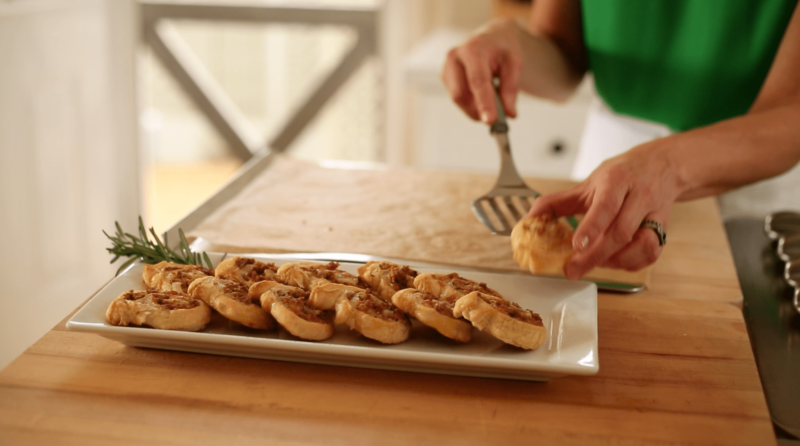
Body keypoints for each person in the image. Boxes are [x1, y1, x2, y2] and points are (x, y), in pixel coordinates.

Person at [441, 0, 800, 280]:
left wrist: (667, 165)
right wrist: (507, 39)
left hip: (753, 181)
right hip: (608, 178)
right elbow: (563, 54)